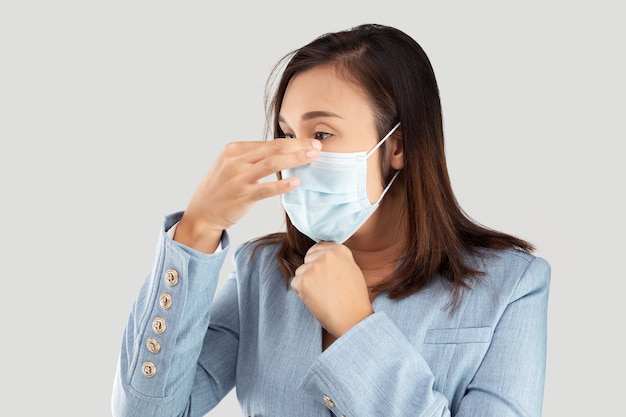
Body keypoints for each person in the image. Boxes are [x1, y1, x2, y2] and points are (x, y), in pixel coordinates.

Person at [111, 23, 550, 417]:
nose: (295, 157)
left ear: (399, 145)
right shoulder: (261, 273)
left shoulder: (512, 285)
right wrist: (197, 229)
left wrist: (356, 327)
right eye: (286, 134)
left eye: (321, 134)